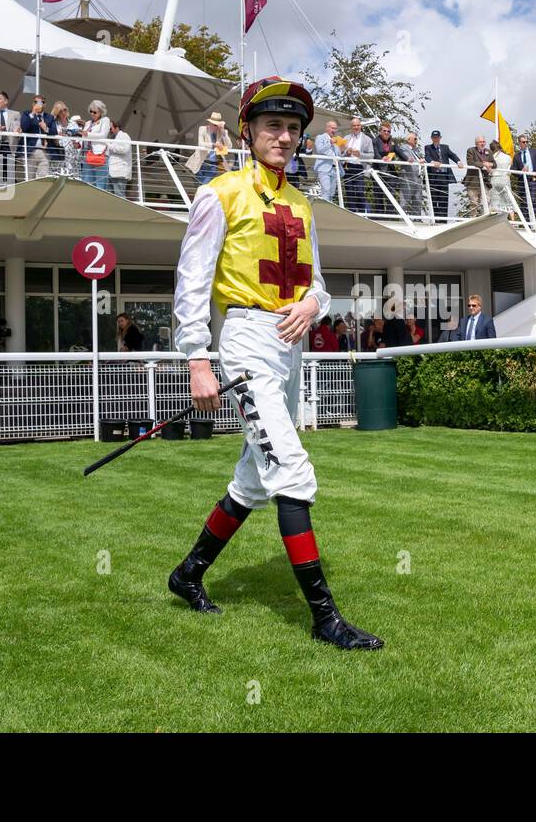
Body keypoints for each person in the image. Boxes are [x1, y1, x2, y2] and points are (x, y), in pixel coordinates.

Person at [168, 75, 382, 650]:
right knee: (292, 469)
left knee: (252, 482)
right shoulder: (219, 193)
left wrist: (314, 304)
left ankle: (187, 574)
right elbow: (191, 283)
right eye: (273, 126)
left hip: (292, 342)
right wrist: (197, 359)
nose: (284, 136)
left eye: (292, 128)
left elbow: (319, 284)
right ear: (248, 131)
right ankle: (324, 619)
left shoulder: (302, 203)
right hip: (244, 341)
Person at [187, 111, 233, 187]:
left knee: (205, 186)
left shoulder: (224, 132)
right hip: (200, 162)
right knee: (199, 186)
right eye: (214, 125)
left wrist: (223, 132)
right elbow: (201, 144)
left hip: (213, 164)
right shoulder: (202, 129)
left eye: (218, 125)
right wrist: (214, 145)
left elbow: (230, 146)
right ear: (209, 123)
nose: (216, 127)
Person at [423, 129, 460, 219]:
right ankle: (435, 220)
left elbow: (452, 155)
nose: (436, 139)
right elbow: (427, 156)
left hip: (444, 177)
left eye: (437, 137)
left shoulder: (445, 147)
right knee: (434, 199)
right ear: (431, 138)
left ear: (440, 138)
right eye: (434, 137)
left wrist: (458, 162)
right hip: (434, 177)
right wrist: (432, 162)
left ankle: (443, 220)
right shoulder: (428, 147)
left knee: (444, 200)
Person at [19, 94, 58, 180]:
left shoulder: (50, 117)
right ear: (32, 104)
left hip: (45, 152)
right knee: (29, 179)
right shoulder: (27, 114)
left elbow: (54, 132)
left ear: (45, 104)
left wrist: (46, 128)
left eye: (41, 102)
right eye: (36, 102)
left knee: (43, 179)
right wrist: (33, 113)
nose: (39, 104)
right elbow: (24, 127)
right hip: (30, 151)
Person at [340, 117, 374, 213]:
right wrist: (347, 152)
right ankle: (352, 213)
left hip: (359, 167)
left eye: (358, 125)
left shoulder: (367, 139)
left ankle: (363, 213)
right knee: (349, 192)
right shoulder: (346, 138)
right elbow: (340, 154)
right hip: (347, 166)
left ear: (361, 126)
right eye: (354, 125)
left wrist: (361, 154)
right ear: (351, 127)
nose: (356, 127)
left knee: (359, 192)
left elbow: (371, 155)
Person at [78, 100, 111, 191]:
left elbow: (103, 135)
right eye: (91, 111)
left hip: (99, 154)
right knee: (86, 183)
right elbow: (84, 137)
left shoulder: (105, 120)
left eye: (95, 112)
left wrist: (87, 134)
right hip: (87, 155)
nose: (92, 114)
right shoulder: (88, 123)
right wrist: (78, 142)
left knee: (100, 185)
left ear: (101, 112)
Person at [312, 119, 341, 203]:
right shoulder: (320, 137)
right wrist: (330, 143)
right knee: (326, 191)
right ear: (327, 128)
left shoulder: (336, 140)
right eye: (332, 128)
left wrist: (345, 152)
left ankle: (328, 211)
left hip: (334, 170)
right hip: (324, 169)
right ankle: (324, 211)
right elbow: (319, 149)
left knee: (332, 193)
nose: (334, 130)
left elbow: (338, 155)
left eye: (336, 129)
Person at [107, 121, 133, 199]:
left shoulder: (124, 136)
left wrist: (109, 146)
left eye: (110, 128)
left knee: (119, 194)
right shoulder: (114, 138)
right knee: (111, 195)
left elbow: (125, 149)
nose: (109, 131)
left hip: (120, 171)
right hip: (112, 171)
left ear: (117, 127)